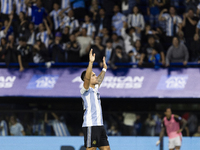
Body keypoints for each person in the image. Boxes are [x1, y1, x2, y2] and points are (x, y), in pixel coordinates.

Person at [80, 49, 110, 150]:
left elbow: (100, 79)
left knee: (106, 148)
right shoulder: (85, 89)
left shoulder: (95, 88)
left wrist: (104, 69)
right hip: (90, 125)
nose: (96, 76)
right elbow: (87, 78)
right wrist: (91, 62)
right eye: (93, 75)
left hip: (100, 125)